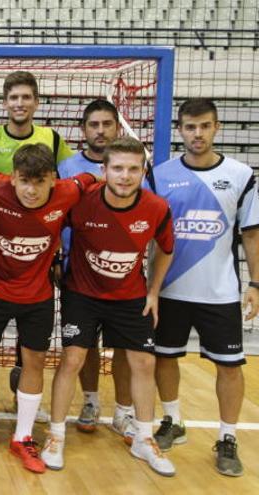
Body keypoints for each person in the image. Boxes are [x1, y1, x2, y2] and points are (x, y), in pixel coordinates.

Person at [40, 136, 176, 477]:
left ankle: (145, 438)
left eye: (133, 169)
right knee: (72, 358)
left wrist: (154, 291)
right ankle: (55, 436)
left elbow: (166, 249)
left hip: (130, 296)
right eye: (117, 168)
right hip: (82, 293)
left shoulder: (156, 207)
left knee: (144, 361)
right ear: (104, 170)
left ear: (144, 171)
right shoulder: (81, 201)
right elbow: (51, 223)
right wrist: (56, 258)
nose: (125, 176)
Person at [0, 144, 94, 473]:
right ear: (13, 179)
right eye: (24, 181)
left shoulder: (68, 191)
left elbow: (89, 177)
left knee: (35, 360)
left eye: (39, 181)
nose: (31, 190)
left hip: (37, 294)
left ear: (53, 179)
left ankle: (23, 437)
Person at [150, 98, 259, 477]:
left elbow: (251, 234)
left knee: (229, 367)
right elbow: (151, 237)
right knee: (165, 357)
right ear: (180, 130)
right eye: (191, 127)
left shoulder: (242, 175)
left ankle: (228, 437)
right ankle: (172, 419)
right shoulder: (159, 175)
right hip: (170, 290)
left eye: (205, 126)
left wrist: (256, 284)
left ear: (217, 128)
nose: (198, 134)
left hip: (220, 292)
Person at [57, 99, 136, 437]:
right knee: (84, 345)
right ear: (83, 130)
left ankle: (125, 411)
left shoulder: (133, 168)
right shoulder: (66, 167)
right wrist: (57, 259)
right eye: (94, 124)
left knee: (124, 348)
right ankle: (90, 401)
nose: (101, 130)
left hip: (123, 275)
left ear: (118, 127)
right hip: (78, 272)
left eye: (107, 124)